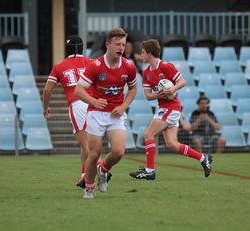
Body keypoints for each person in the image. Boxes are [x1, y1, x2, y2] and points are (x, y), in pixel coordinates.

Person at [129, 39, 212, 181]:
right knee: (171, 144)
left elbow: (183, 81)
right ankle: (203, 158)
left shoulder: (166, 66)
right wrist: (159, 94)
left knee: (148, 134)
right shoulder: (146, 73)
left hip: (171, 107)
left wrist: (171, 89)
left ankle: (150, 170)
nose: (140, 55)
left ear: (149, 53)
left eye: (142, 52)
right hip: (164, 108)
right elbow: (149, 97)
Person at [74, 28, 137, 199]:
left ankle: (103, 170)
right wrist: (94, 101)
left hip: (116, 113)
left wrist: (124, 105)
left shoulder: (129, 66)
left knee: (118, 151)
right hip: (96, 113)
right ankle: (89, 188)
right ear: (108, 44)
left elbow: (132, 89)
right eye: (117, 44)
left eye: (123, 44)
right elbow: (79, 90)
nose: (121, 47)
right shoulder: (95, 66)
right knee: (94, 153)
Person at [42, 35, 109, 189]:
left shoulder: (59, 66)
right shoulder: (92, 62)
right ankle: (84, 176)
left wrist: (45, 108)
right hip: (93, 104)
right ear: (82, 48)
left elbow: (47, 89)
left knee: (87, 145)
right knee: (86, 145)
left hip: (77, 104)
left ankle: (101, 168)